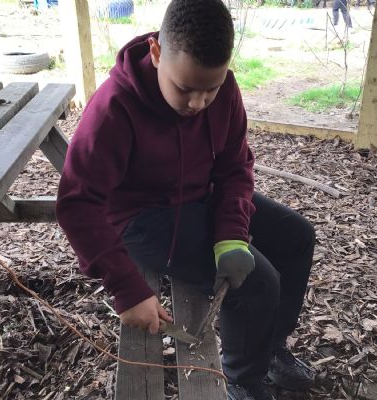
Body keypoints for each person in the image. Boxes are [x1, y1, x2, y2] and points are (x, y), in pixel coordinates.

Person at [56, 1, 316, 399]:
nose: (198, 103)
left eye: (211, 89)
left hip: (200, 196)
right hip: (142, 217)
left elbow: (234, 167)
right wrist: (127, 289)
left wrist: (231, 235)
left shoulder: (224, 91)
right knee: (258, 284)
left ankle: (270, 347)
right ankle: (243, 381)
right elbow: (77, 203)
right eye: (185, 88)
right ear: (157, 52)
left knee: (297, 236)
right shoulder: (114, 107)